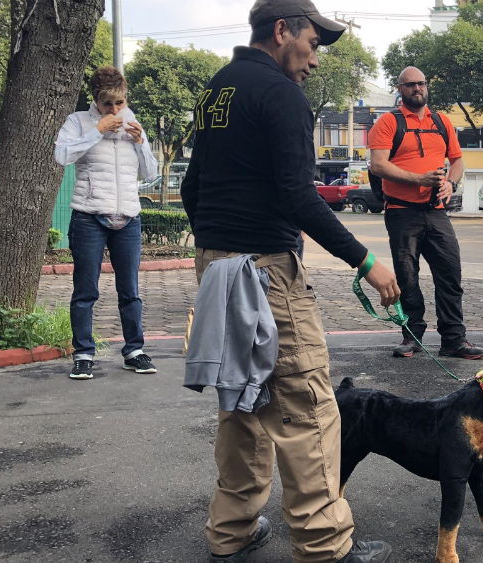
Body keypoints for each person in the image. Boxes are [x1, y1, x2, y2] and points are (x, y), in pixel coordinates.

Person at [180, 1, 399, 562]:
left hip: (216, 267)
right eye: (313, 43)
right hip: (266, 273)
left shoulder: (218, 89)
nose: (316, 59)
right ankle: (327, 546)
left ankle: (230, 533)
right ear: (282, 31)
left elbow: (192, 188)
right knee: (307, 405)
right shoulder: (280, 94)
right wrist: (366, 261)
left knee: (242, 399)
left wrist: (218, 249)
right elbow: (298, 196)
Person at [368, 66, 483, 360]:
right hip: (401, 212)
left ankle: (453, 340)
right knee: (407, 277)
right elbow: (378, 165)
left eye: (421, 84)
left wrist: (451, 183)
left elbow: (457, 161)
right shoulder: (387, 122)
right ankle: (412, 337)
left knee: (450, 274)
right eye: (410, 85)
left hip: (436, 212)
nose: (416, 89)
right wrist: (419, 179)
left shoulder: (442, 121)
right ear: (400, 89)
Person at [54, 65, 159, 380]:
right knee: (85, 290)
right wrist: (97, 129)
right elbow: (62, 156)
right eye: (107, 104)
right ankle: (84, 354)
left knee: (131, 290)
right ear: (95, 100)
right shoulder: (78, 122)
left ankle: (134, 351)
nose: (115, 110)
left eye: (120, 103)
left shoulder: (133, 123)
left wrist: (140, 143)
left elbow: (151, 175)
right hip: (88, 217)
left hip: (128, 217)